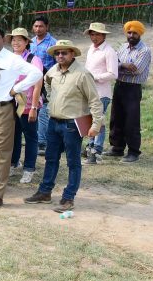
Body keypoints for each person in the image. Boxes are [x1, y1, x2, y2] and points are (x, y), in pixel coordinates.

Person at [24, 41, 105, 212]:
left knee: (73, 161)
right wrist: (53, 98)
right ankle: (45, 192)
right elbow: (46, 83)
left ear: (72, 54)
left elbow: (94, 101)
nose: (60, 56)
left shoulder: (82, 74)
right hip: (54, 122)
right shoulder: (53, 70)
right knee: (50, 158)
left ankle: (69, 197)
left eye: (64, 53)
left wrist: (96, 124)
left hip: (72, 124)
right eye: (57, 53)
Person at [0, 27, 43, 208]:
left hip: (2, 109)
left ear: (3, 39)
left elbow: (36, 74)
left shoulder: (13, 59)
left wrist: (16, 89)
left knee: (1, 152)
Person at [105, 21, 151, 163]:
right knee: (116, 118)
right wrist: (123, 65)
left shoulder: (144, 50)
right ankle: (117, 147)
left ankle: (133, 152)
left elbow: (137, 70)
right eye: (129, 32)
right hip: (119, 86)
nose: (131, 35)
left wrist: (118, 68)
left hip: (132, 88)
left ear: (140, 34)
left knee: (131, 120)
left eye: (134, 33)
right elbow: (112, 65)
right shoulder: (123, 47)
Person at [8, 28, 43, 183]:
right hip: (11, 104)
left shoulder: (33, 59)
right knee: (13, 135)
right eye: (13, 40)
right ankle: (13, 162)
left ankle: (29, 168)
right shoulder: (8, 58)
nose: (16, 43)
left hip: (28, 104)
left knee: (30, 137)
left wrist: (34, 107)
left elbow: (37, 85)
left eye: (19, 40)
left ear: (26, 42)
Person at [83, 23, 118, 164]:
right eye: (92, 34)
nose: (94, 37)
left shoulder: (109, 51)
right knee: (91, 120)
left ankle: (97, 150)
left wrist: (95, 77)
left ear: (103, 35)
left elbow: (113, 73)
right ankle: (91, 147)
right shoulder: (91, 49)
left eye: (97, 34)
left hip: (102, 92)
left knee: (99, 121)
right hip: (90, 91)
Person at [29, 15, 58, 152]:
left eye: (41, 26)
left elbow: (58, 64)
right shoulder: (30, 42)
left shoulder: (53, 43)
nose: (38, 29)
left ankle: (42, 142)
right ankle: (36, 137)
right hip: (30, 81)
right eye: (35, 26)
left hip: (46, 81)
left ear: (47, 27)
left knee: (43, 112)